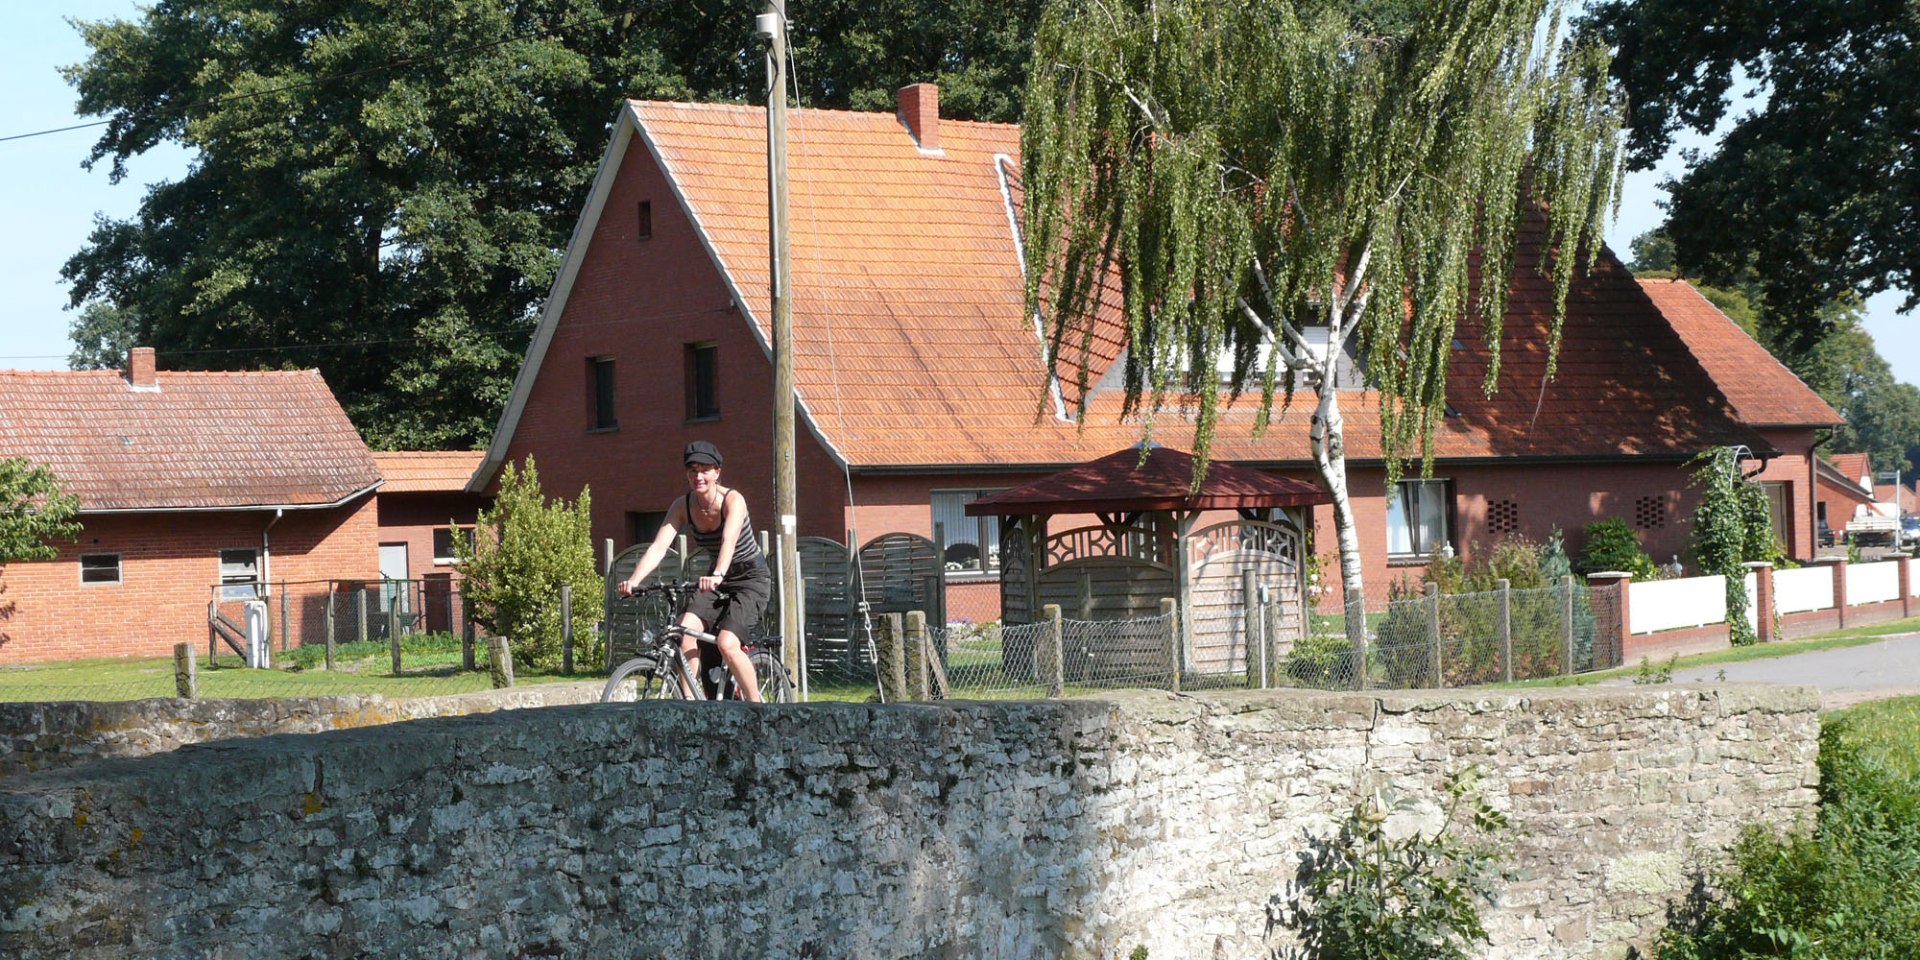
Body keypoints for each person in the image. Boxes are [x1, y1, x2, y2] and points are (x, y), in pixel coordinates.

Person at [616, 441, 768, 701]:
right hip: (717, 579)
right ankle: (691, 708)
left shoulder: (733, 500)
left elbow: (728, 542)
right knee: (684, 630)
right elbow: (659, 546)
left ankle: (760, 711)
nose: (698, 476)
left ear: (717, 472)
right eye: (692, 470)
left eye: (705, 470)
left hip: (749, 579)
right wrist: (633, 581)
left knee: (727, 643)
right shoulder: (682, 506)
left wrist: (719, 574)